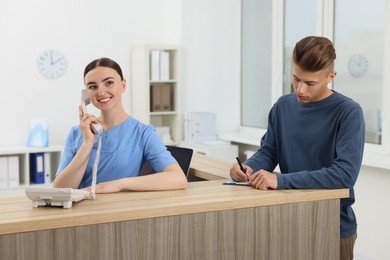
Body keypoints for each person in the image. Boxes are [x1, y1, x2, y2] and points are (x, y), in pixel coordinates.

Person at [230, 36, 364, 260]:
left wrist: (280, 180)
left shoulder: (349, 112)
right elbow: (270, 150)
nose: (300, 89)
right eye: (296, 79)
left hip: (331, 226)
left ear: (331, 77)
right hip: (287, 220)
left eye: (310, 83)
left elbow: (344, 175)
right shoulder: (283, 106)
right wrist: (248, 168)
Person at [54, 57, 188, 193]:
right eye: (93, 87)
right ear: (86, 94)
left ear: (123, 85)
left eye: (109, 83)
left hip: (121, 211)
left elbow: (178, 178)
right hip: (82, 211)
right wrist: (87, 144)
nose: (101, 92)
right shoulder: (77, 133)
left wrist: (119, 184)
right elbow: (60, 189)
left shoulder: (143, 133)